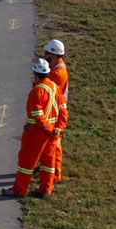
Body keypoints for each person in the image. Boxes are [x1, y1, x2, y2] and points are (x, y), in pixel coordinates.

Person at [5, 57, 61, 198]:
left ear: (35, 74)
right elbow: (64, 110)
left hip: (37, 133)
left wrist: (49, 130)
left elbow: (38, 117)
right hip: (53, 133)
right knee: (48, 162)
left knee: (26, 162)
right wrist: (58, 128)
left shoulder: (37, 92)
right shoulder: (55, 88)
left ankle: (19, 190)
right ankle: (46, 189)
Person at [40, 39, 70, 186]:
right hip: (55, 108)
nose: (46, 56)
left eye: (48, 54)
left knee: (55, 144)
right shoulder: (58, 67)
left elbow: (47, 88)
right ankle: (50, 171)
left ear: (54, 54)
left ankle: (55, 174)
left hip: (56, 111)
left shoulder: (58, 73)